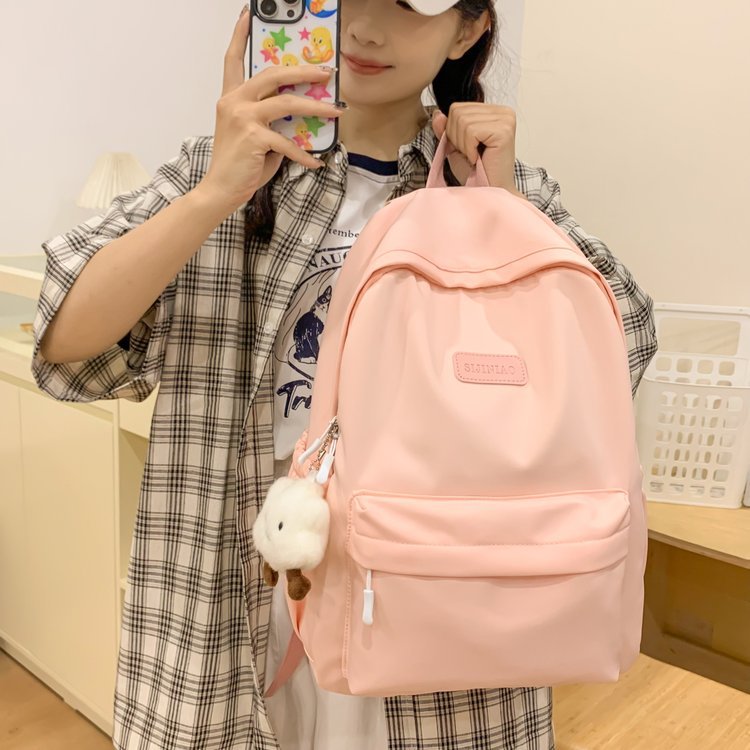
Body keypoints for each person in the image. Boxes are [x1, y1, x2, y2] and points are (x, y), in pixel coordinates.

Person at [32, 1, 658, 748]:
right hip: (236, 584)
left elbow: (626, 344)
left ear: (467, 29)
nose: (364, 29)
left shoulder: (495, 188)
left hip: (431, 592)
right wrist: (215, 192)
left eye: (406, 6)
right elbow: (64, 338)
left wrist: (506, 210)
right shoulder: (224, 164)